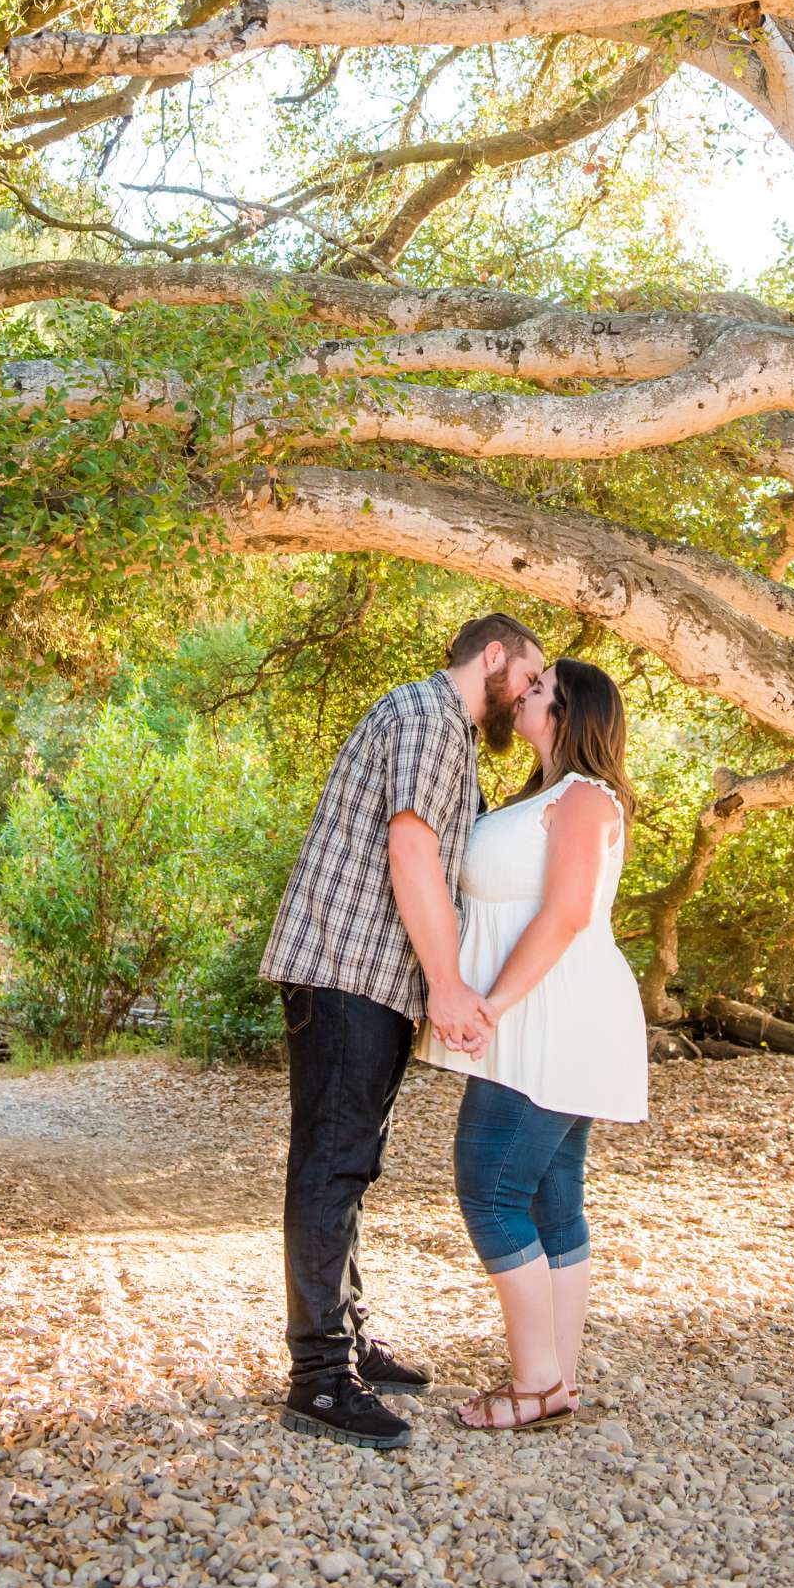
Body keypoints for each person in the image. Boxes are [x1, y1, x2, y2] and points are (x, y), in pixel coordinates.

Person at [260, 612, 546, 1449]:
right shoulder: (426, 717)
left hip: (372, 982)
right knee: (331, 1165)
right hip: (344, 972)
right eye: (526, 680)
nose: (525, 697)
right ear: (492, 657)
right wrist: (451, 985)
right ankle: (318, 1380)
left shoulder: (443, 729)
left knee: (351, 1163)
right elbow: (413, 855)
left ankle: (344, 1337)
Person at [423, 656, 647, 1432]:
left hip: (552, 1016)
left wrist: (490, 1005)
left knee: (489, 1190)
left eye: (542, 688)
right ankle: (557, 1376)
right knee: (553, 1198)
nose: (525, 693)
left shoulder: (584, 797)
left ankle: (538, 1383)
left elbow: (566, 914)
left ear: (570, 714)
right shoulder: (544, 796)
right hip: (541, 1017)